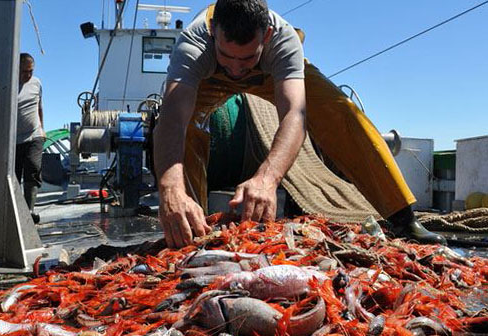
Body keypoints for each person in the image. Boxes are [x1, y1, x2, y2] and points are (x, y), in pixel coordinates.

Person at [153, 0, 446, 248]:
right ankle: (188, 226)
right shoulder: (192, 43)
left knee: (339, 110)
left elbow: (295, 114)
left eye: (247, 58)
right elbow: (172, 121)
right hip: (206, 82)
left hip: (272, 76)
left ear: (266, 35)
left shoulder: (283, 39)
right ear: (214, 32)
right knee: (188, 124)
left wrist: (267, 178)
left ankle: (404, 219)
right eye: (226, 57)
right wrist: (169, 190)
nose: (236, 70)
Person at [16, 53, 45, 224]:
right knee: (14, 173)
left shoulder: (37, 83)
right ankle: (16, 211)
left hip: (34, 135)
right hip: (13, 140)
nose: (27, 75)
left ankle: (30, 210)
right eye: (24, 72)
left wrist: (42, 128)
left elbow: (39, 106)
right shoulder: (7, 84)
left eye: (30, 71)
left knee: (33, 167)